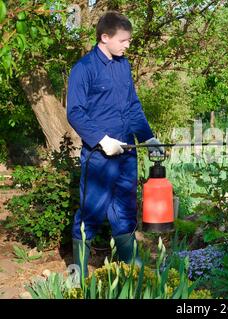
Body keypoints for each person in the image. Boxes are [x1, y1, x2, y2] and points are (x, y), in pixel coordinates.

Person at [67, 11, 163, 277]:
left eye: (129, 41)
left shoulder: (124, 66)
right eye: (123, 40)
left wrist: (148, 137)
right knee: (91, 213)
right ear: (105, 37)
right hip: (99, 156)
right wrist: (101, 139)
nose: (127, 45)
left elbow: (132, 106)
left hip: (127, 154)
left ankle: (132, 272)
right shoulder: (84, 69)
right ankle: (77, 277)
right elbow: (74, 112)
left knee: (125, 211)